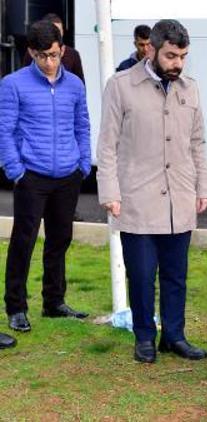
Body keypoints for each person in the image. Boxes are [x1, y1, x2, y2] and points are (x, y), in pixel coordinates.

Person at [97, 19, 207, 363]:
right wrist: (109, 193)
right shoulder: (120, 86)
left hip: (180, 198)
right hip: (136, 199)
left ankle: (174, 336)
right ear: (151, 50)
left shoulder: (189, 88)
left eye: (183, 56)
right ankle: (145, 337)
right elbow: (107, 146)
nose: (178, 63)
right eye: (171, 56)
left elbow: (197, 143)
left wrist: (203, 186)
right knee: (143, 276)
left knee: (177, 276)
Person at [0, 20, 90, 333]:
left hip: (68, 175)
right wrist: (16, 171)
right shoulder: (13, 84)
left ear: (62, 50)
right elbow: (5, 131)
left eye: (53, 55)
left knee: (60, 240)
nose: (48, 62)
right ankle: (16, 306)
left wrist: (84, 163)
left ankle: (54, 302)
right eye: (41, 56)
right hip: (31, 176)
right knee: (23, 241)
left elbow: (82, 126)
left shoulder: (75, 85)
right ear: (31, 53)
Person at [23, 13, 85, 84]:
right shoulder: (33, 53)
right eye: (42, 56)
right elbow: (26, 76)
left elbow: (80, 82)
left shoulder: (73, 54)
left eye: (60, 31)